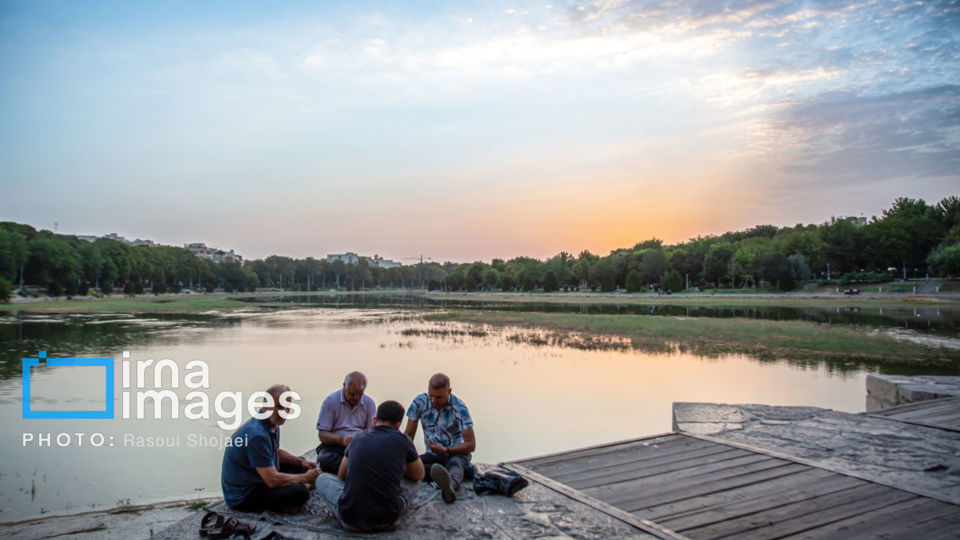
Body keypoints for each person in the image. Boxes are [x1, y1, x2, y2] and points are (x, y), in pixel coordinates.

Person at [315, 400, 425, 532]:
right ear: (398, 425)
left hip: (350, 521)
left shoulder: (357, 438)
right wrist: (398, 468)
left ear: (374, 420)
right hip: (389, 521)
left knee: (322, 478)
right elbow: (419, 474)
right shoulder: (404, 440)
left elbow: (342, 475)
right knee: (414, 481)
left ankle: (354, 502)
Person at [221, 384, 320, 513]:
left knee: (300, 467)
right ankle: (295, 497)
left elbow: (275, 452)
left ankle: (294, 494)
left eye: (287, 408)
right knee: (301, 492)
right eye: (279, 407)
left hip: (259, 476)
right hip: (243, 495)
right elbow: (272, 480)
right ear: (265, 406)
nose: (284, 413)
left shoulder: (272, 423)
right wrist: (305, 478)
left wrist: (301, 462)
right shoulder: (257, 435)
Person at [404, 373, 475, 503]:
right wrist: (405, 458)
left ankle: (449, 487)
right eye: (430, 395)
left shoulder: (459, 408)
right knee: (406, 467)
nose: (433, 400)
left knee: (455, 465)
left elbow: (471, 444)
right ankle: (444, 473)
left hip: (455, 453)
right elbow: (408, 435)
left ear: (449, 392)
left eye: (438, 397)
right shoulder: (419, 403)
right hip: (432, 453)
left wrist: (447, 450)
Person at [315, 372, 376, 474]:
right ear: (344, 386)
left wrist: (361, 439)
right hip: (335, 446)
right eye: (352, 394)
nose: (356, 397)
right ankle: (358, 469)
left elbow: (373, 431)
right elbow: (322, 434)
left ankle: (352, 468)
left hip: (359, 445)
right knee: (325, 460)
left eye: (360, 394)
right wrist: (341, 440)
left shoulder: (369, 403)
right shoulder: (331, 401)